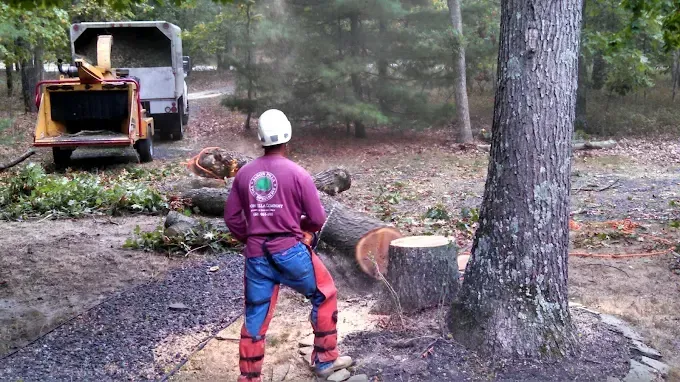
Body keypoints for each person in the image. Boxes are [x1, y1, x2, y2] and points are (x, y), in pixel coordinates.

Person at [224, 109, 352, 382]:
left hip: (256, 257)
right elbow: (317, 218)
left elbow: (232, 217)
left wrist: (250, 238)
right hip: (291, 253)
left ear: (261, 139)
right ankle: (326, 359)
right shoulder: (298, 174)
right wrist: (299, 225)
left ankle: (249, 377)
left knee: (255, 313)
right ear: (288, 138)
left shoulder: (244, 174)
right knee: (324, 294)